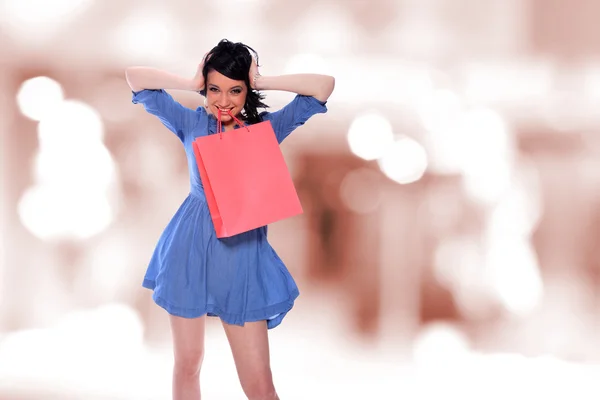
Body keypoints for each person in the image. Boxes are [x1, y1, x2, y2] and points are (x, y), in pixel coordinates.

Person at [125, 39, 335, 400]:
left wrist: (262, 81)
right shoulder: (189, 121)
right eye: (214, 89)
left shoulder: (265, 130)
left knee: (260, 385)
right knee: (187, 364)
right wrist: (191, 82)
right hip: (189, 249)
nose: (223, 100)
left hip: (242, 256)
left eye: (235, 90)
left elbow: (323, 86)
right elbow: (135, 78)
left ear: (246, 90)